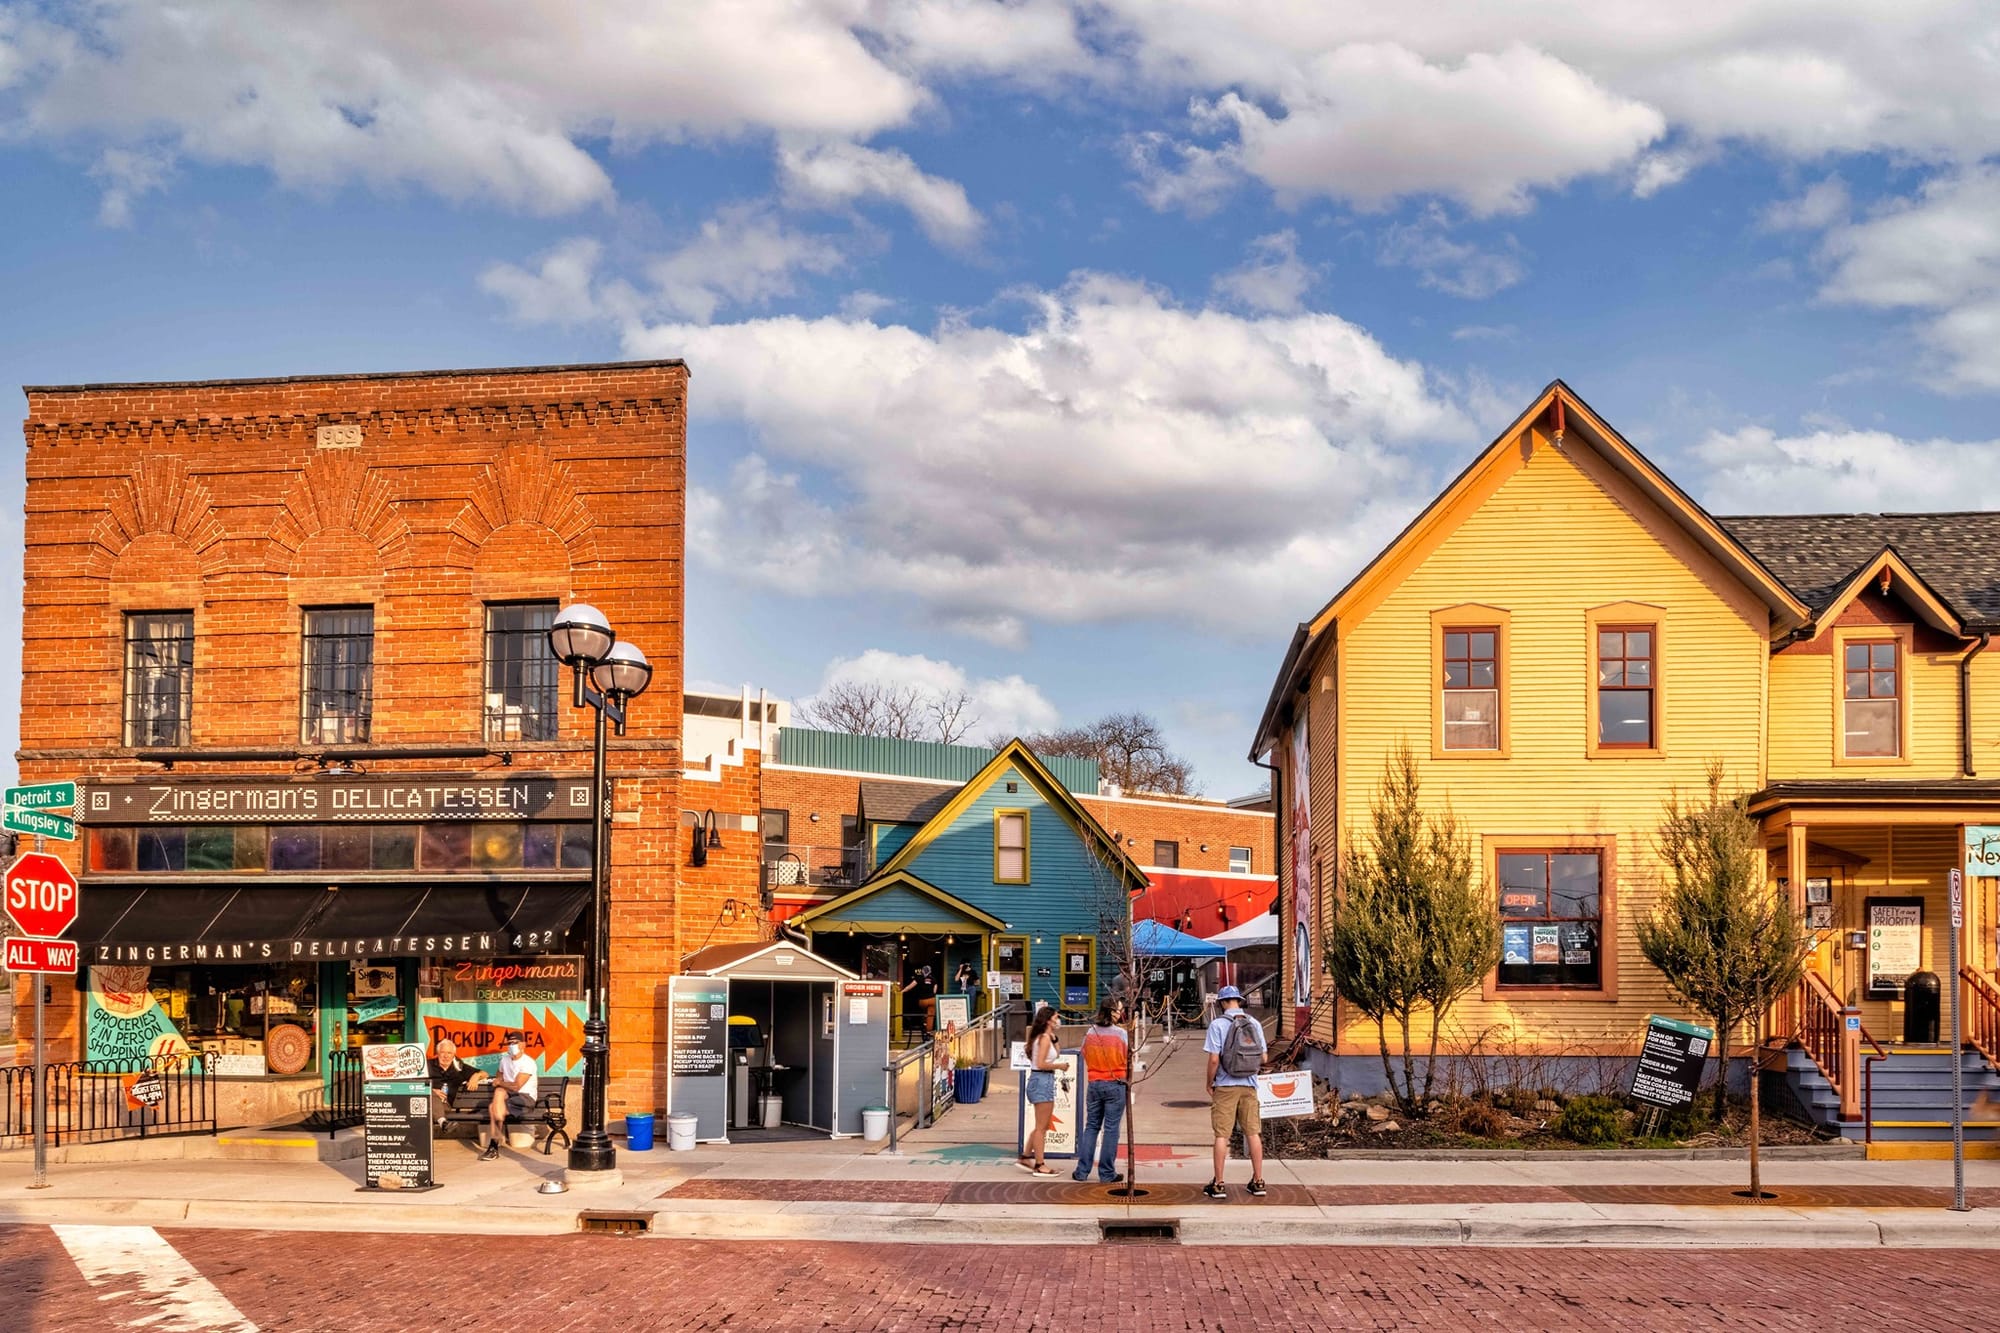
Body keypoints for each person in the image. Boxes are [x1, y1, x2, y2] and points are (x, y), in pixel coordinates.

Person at [1202, 984, 1266, 1200]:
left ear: (1222, 1003)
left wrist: (1209, 1083)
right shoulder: (1254, 1023)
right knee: (1253, 1132)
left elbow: (1213, 1059)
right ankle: (1258, 1181)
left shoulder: (1217, 1024)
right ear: (1239, 1001)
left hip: (1226, 1085)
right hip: (1249, 1084)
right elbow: (1264, 1058)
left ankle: (1219, 1184)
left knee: (1222, 1135)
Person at [1072, 1002, 1129, 1183]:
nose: (1121, 1013)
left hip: (1095, 1082)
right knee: (1111, 1129)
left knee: (1092, 1126)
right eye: (1119, 1010)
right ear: (1112, 1013)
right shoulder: (1121, 1034)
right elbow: (1128, 1058)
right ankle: (1106, 1173)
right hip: (1115, 1082)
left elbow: (1084, 1053)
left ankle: (1082, 1171)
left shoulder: (1091, 1033)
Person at [482, 1029, 539, 1161]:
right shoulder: (504, 1060)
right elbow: (498, 1078)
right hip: (509, 1097)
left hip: (525, 1098)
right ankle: (493, 1145)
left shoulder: (528, 1062)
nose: (511, 1045)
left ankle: (493, 1146)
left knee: (493, 1106)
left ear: (523, 1044)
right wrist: (500, 1083)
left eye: (515, 1042)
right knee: (499, 1093)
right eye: (509, 1043)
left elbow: (516, 1086)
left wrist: (500, 1083)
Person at [1018, 1006, 1061, 1175]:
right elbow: (1042, 1063)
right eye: (1056, 1017)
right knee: (1042, 1127)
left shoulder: (1046, 1037)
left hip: (1044, 1080)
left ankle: (1025, 1155)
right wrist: (1060, 1066)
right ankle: (1039, 1164)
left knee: (1041, 1124)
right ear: (1049, 1019)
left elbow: (1056, 1052)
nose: (1058, 1020)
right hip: (1042, 1078)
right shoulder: (1043, 1038)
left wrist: (1055, 1038)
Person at [427, 1037, 484, 1126]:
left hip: (444, 1105)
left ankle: (442, 1122)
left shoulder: (459, 1068)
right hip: (424, 1101)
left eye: (449, 1053)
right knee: (431, 1094)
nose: (446, 1056)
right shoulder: (427, 1065)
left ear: (454, 1054)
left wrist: (476, 1076)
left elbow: (484, 1073)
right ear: (437, 1053)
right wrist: (431, 1091)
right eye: (443, 1052)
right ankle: (443, 1122)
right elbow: (412, 1082)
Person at [901, 965, 938, 1038]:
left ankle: (924, 1023)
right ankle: (928, 1031)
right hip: (932, 1000)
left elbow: (909, 987)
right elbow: (934, 991)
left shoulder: (919, 978)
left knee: (924, 1012)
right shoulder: (933, 979)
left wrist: (901, 991)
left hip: (922, 1001)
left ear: (922, 971)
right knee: (930, 1016)